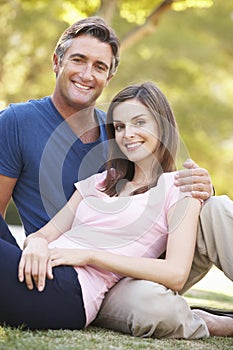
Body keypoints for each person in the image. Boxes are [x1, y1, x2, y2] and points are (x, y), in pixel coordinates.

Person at [0, 16, 229, 336]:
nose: (127, 134)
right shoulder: (97, 178)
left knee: (220, 207)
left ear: (110, 75)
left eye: (139, 123)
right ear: (57, 62)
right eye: (120, 127)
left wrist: (202, 188)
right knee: (151, 304)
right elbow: (44, 232)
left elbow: (175, 268)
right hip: (52, 270)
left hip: (83, 286)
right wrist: (36, 245)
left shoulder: (171, 184)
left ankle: (214, 321)